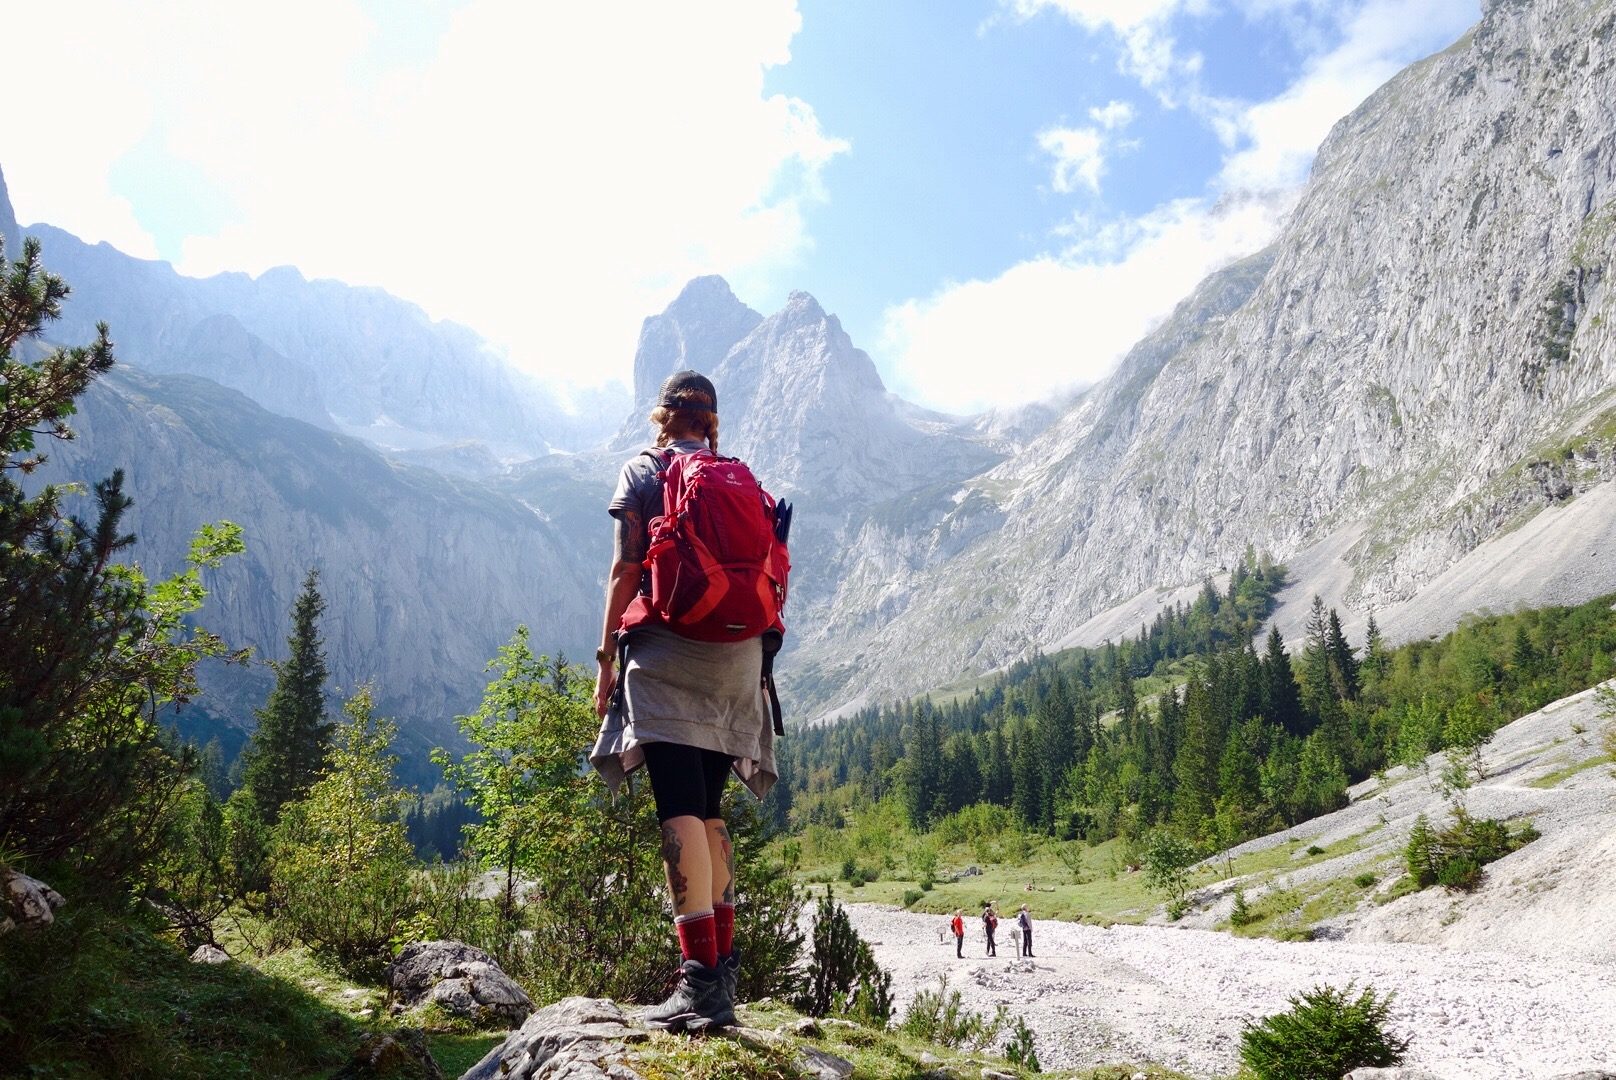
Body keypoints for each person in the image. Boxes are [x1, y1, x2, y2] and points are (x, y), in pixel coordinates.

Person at [589, 370, 778, 1033]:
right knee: (709, 811)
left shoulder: (644, 471)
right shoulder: (738, 478)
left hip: (668, 658)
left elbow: (626, 569)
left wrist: (605, 659)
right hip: (738, 661)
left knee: (679, 814)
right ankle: (719, 976)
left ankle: (698, 987)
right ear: (712, 421)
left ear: (662, 416)